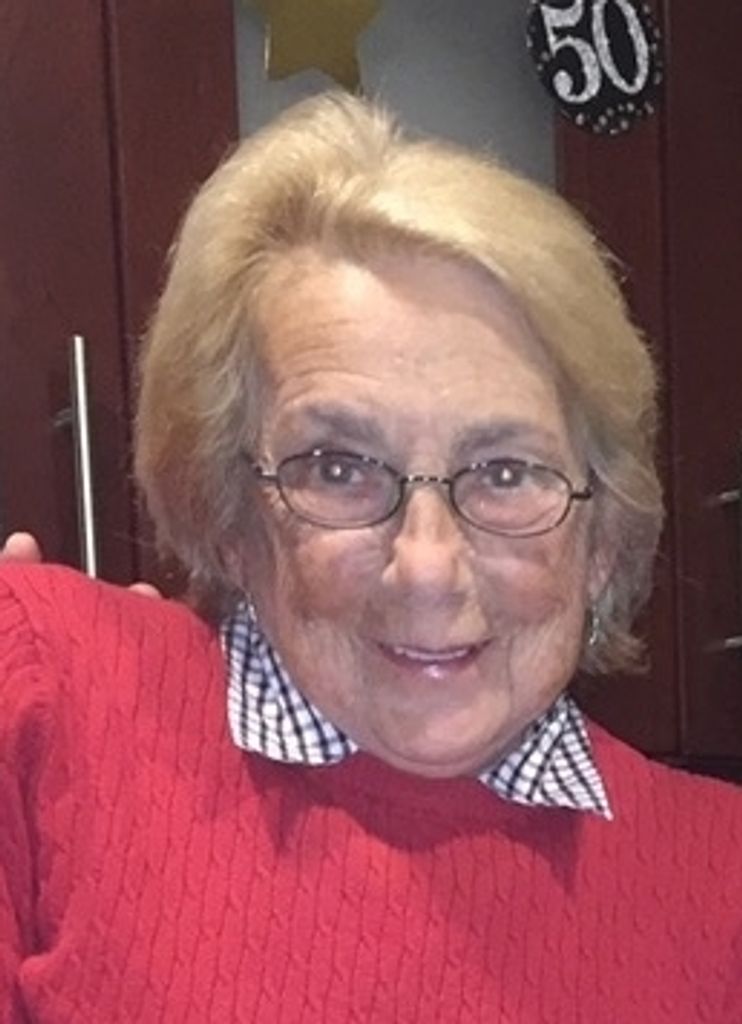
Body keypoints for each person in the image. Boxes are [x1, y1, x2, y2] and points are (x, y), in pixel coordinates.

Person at [1, 93, 740, 1023]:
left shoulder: (721, 880)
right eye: (339, 468)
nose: (427, 569)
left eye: (505, 472)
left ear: (600, 539)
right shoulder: (49, 696)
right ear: (231, 516)